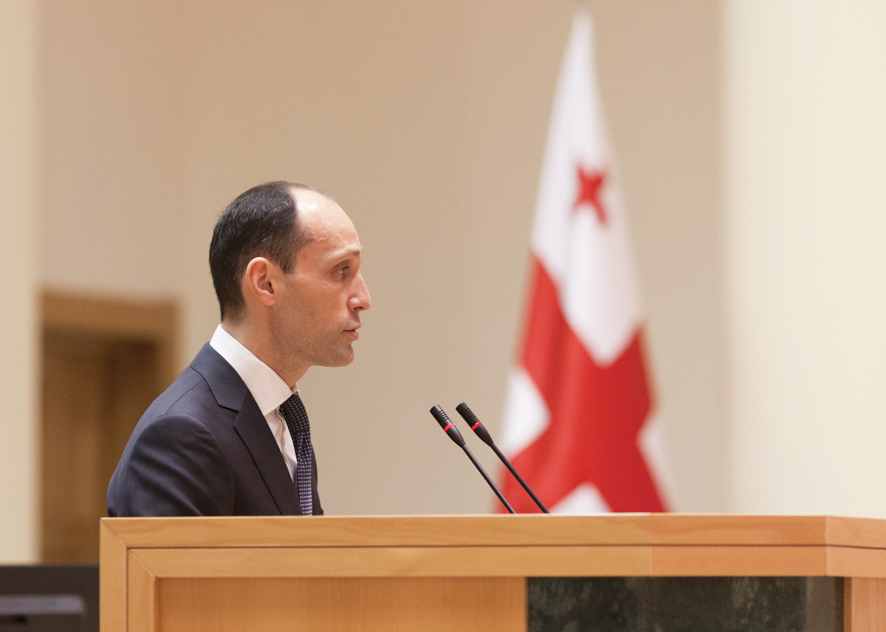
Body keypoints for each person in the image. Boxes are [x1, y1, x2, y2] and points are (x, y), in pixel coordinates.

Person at [107, 181, 370, 516]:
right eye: (341, 271)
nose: (363, 299)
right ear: (265, 282)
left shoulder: (283, 417)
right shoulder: (181, 435)